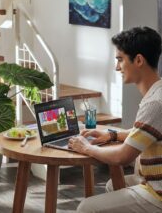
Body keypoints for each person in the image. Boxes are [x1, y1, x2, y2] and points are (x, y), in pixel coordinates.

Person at [68, 26, 162, 213]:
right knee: (113, 185)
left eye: (120, 59)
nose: (117, 67)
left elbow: (122, 157)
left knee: (86, 208)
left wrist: (86, 147)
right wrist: (111, 135)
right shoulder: (157, 92)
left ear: (138, 60)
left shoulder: (155, 103)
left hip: (157, 192)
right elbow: (146, 134)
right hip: (151, 180)